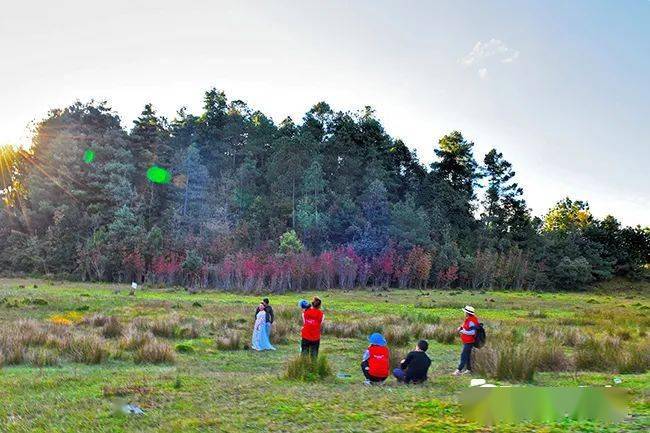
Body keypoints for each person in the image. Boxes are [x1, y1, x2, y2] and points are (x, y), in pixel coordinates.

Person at [453, 305, 479, 375]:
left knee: (463, 355)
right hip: (467, 341)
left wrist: (462, 331)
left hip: (469, 341)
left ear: (467, 313)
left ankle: (458, 370)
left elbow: (473, 332)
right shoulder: (469, 319)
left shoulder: (471, 321)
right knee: (467, 355)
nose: (464, 313)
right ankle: (469, 369)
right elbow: (465, 326)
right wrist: (461, 327)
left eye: (465, 312)